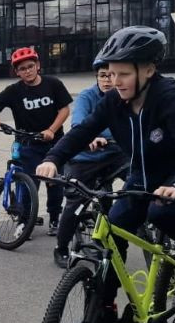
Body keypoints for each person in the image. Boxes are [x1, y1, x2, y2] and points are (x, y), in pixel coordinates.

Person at [37, 27, 175, 323]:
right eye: (111, 73)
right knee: (113, 229)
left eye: (123, 74)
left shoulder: (168, 99)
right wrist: (53, 158)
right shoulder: (113, 101)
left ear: (148, 70)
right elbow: (83, 131)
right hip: (143, 171)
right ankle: (106, 305)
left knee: (160, 213)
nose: (115, 81)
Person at [0, 46, 73, 235]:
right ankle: (24, 221)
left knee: (54, 183)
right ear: (17, 72)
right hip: (29, 144)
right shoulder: (15, 90)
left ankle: (55, 219)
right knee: (27, 184)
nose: (27, 71)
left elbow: (65, 109)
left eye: (30, 66)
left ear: (38, 65)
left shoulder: (53, 84)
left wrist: (51, 130)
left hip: (54, 143)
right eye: (22, 69)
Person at [53, 61, 127, 268]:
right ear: (97, 77)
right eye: (103, 75)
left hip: (115, 155)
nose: (107, 80)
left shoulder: (125, 95)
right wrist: (91, 137)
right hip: (85, 158)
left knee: (141, 180)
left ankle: (136, 227)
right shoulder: (87, 97)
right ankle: (61, 247)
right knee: (75, 202)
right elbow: (79, 123)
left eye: (111, 75)